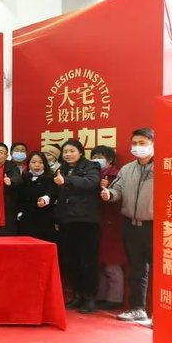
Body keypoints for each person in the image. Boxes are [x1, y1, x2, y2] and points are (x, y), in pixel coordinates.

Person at [101, 128, 155, 323]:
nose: (137, 147)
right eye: (135, 143)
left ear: (153, 144)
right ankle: (137, 308)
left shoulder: (166, 167)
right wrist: (110, 194)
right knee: (137, 269)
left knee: (161, 272)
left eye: (142, 143)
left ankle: (163, 314)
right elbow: (117, 190)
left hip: (155, 227)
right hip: (130, 225)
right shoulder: (127, 169)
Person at [54, 139, 102, 313]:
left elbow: (90, 183)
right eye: (65, 152)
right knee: (71, 260)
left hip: (86, 221)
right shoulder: (63, 168)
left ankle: (89, 298)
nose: (68, 154)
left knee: (87, 261)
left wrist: (66, 180)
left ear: (81, 152)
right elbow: (60, 196)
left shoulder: (92, 166)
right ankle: (77, 295)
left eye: (72, 151)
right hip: (67, 221)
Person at [92, 145, 125, 311]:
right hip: (97, 223)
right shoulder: (92, 175)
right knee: (100, 263)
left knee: (112, 264)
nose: (96, 160)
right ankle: (101, 295)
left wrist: (108, 188)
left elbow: (120, 198)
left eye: (100, 157)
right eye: (94, 156)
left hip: (113, 224)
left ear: (110, 160)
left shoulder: (117, 175)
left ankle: (115, 298)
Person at [17, 152, 57, 242]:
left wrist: (45, 199)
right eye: (33, 162)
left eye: (40, 162)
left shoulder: (50, 178)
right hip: (26, 218)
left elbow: (52, 192)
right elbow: (19, 197)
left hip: (44, 218)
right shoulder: (24, 178)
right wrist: (20, 212)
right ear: (28, 164)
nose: (37, 165)